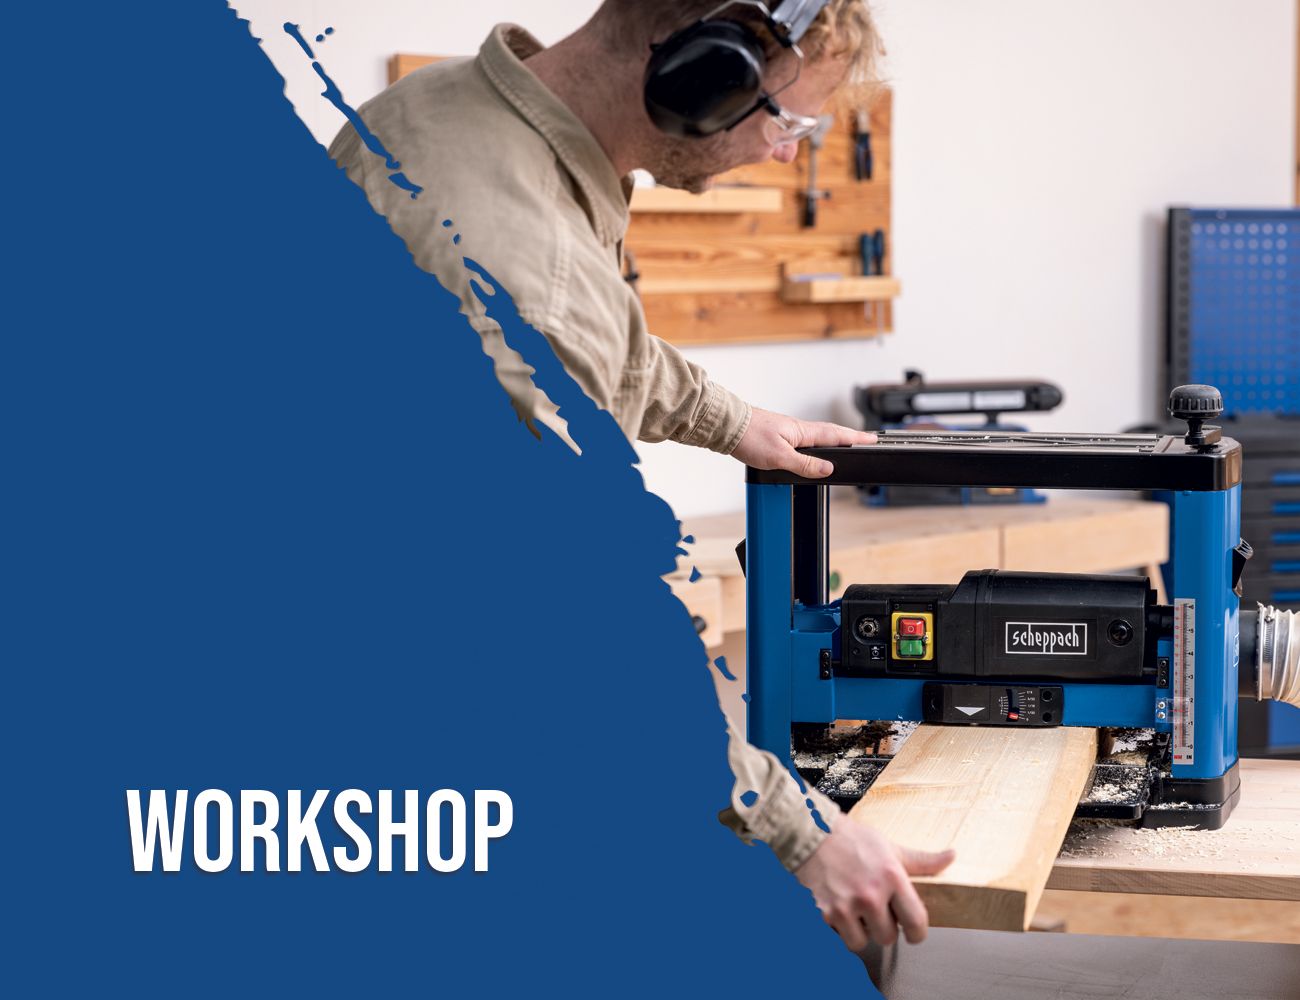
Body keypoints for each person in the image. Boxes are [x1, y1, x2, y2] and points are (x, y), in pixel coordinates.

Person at [329, 0, 954, 953]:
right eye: (788, 121)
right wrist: (801, 835)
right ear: (708, 69)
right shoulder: (524, 265)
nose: (788, 154)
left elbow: (589, 338)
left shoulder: (439, 113)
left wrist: (732, 419)